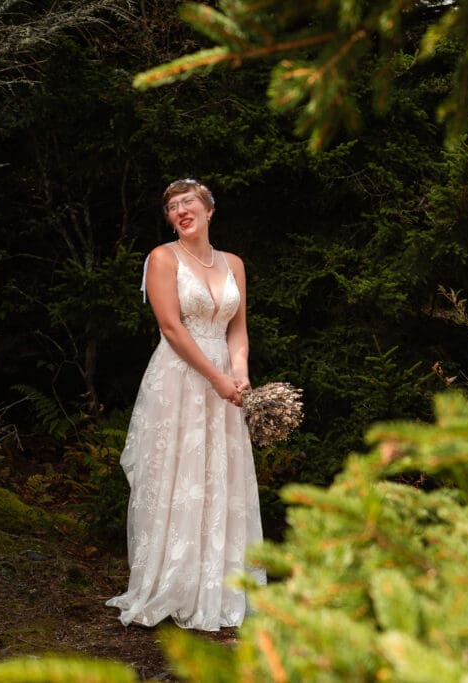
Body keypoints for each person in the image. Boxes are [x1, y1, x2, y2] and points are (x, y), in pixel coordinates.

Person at [106, 179, 266, 631]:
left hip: (224, 381)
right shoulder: (162, 258)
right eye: (173, 207)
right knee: (179, 473)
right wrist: (215, 377)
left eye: (188, 202)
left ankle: (218, 585)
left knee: (220, 477)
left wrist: (239, 372)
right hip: (180, 376)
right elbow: (172, 328)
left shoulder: (233, 263)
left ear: (210, 209)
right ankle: (172, 583)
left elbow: (237, 328)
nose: (180, 211)